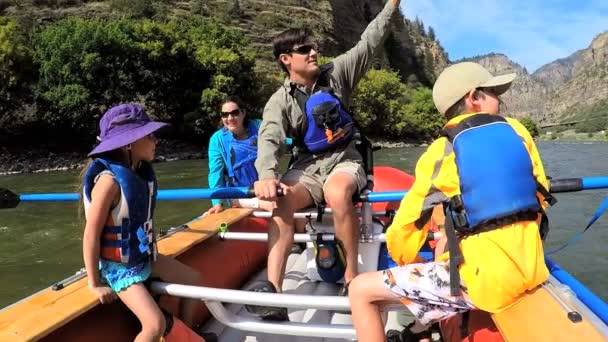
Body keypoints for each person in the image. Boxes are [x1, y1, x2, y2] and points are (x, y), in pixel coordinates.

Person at [348, 62, 554, 342]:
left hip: (487, 283)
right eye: (493, 91)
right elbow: (541, 195)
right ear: (474, 97)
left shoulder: (441, 151)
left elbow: (407, 228)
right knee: (449, 247)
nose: (500, 98)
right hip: (532, 267)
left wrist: (404, 261)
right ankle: (420, 328)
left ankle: (418, 325)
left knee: (361, 290)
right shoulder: (518, 131)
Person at [250, 0, 401, 320]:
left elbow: (370, 41)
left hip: (346, 159)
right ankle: (273, 293)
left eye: (313, 47)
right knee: (281, 200)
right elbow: (269, 137)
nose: (313, 52)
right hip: (307, 166)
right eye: (304, 49)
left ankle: (351, 278)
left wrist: (391, 6)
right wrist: (266, 174)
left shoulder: (339, 73)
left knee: (336, 192)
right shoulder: (280, 100)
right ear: (286, 60)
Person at [81, 104, 214, 342]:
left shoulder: (139, 174)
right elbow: (91, 235)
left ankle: (184, 335)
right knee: (154, 325)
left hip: (143, 258)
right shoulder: (108, 182)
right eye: (149, 135)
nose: (155, 141)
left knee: (195, 280)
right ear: (128, 143)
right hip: (119, 269)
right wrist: (94, 283)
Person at [205, 97, 274, 216]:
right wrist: (217, 203)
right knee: (269, 205)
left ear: (243, 113)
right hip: (239, 194)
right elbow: (215, 173)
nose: (230, 118)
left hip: (267, 187)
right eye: (225, 115)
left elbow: (278, 140)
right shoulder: (217, 139)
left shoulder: (259, 126)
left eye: (235, 113)